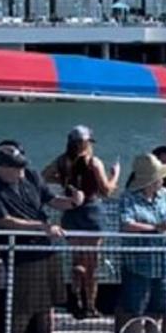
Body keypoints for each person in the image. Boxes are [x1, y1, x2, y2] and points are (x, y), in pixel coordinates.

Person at [0, 143, 85, 333]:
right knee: (24, 307)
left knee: (47, 305)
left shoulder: (32, 177)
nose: (21, 171)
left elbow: (52, 200)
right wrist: (41, 227)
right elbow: (5, 221)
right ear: (1, 167)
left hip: (46, 250)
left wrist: (74, 201)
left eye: (22, 166)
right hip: (21, 255)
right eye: (16, 167)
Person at [42, 126, 119, 318]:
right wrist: (115, 174)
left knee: (77, 260)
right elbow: (107, 190)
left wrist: (63, 182)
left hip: (71, 210)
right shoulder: (94, 162)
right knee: (92, 263)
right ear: (88, 143)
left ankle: (75, 297)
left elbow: (44, 176)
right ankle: (90, 305)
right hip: (92, 210)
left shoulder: (62, 161)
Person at [117, 153, 166, 333]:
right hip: (138, 265)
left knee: (159, 310)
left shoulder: (165, 195)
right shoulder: (129, 197)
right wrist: (155, 229)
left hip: (164, 264)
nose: (162, 179)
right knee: (136, 311)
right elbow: (126, 224)